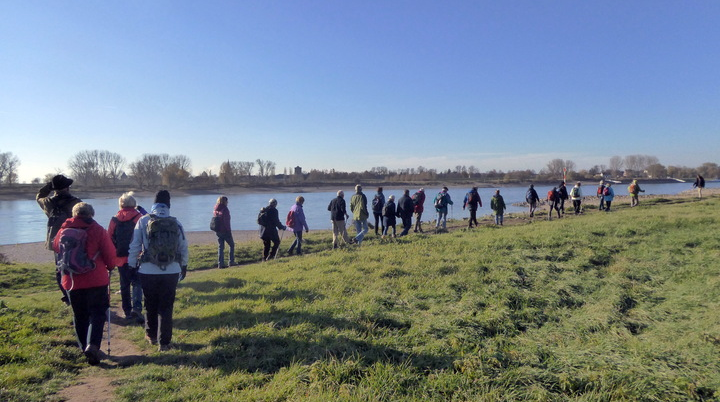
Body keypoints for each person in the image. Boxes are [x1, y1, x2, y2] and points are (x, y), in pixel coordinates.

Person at [54, 202, 117, 365]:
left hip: (72, 280)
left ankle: (84, 349)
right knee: (97, 313)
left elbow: (56, 248)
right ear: (92, 214)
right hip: (96, 278)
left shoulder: (63, 230)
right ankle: (93, 346)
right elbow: (110, 254)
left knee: (79, 315)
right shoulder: (98, 230)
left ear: (74, 214)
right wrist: (110, 267)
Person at [128, 190, 189, 352]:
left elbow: (135, 246)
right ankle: (165, 343)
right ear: (168, 206)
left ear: (153, 205)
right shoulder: (176, 222)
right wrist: (184, 265)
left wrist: (131, 264)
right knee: (166, 306)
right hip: (171, 270)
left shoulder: (143, 221)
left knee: (150, 303)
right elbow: (183, 246)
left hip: (147, 271)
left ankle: (151, 335)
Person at [37, 174, 83, 305]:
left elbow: (39, 197)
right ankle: (76, 292)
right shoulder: (76, 202)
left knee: (60, 268)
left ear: (54, 189)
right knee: (76, 265)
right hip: (74, 239)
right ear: (67, 188)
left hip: (56, 240)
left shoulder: (48, 203)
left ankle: (66, 295)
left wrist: (49, 186)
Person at [108, 192, 145, 325]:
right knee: (137, 282)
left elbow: (109, 237)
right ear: (133, 204)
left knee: (124, 284)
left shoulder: (114, 219)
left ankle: (127, 311)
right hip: (136, 256)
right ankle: (137, 307)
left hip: (120, 257)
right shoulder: (139, 217)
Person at [212, 196, 235, 268]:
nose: (227, 203)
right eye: (227, 201)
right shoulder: (225, 209)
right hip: (225, 230)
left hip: (218, 230)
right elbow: (226, 221)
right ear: (225, 201)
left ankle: (220, 263)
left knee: (221, 247)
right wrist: (229, 230)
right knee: (232, 245)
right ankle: (231, 261)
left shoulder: (216, 209)